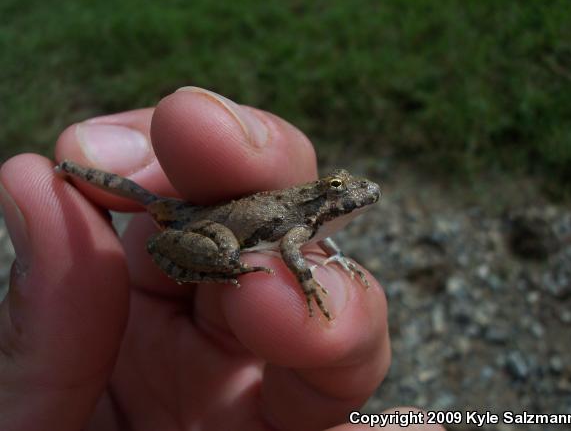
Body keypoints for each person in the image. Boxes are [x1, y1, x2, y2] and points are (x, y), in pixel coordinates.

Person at [0, 87, 442, 430]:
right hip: (216, 229)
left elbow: (314, 240)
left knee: (145, 197)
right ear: (324, 197)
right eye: (338, 189)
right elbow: (292, 247)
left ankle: (73, 171)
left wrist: (338, 258)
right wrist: (307, 284)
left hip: (216, 219)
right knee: (206, 236)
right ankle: (73, 170)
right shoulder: (302, 223)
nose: (355, 194)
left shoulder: (316, 226)